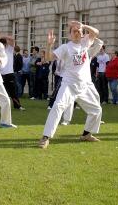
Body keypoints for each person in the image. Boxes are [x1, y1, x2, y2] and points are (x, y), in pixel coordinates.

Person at [38, 21, 102, 149]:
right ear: (70, 35)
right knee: (57, 106)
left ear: (82, 33)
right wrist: (49, 45)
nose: (77, 33)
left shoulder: (86, 42)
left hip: (85, 85)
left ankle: (86, 134)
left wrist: (82, 26)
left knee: (96, 110)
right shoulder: (65, 47)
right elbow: (50, 58)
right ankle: (46, 137)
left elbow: (96, 32)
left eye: (79, 31)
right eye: (74, 31)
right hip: (69, 84)